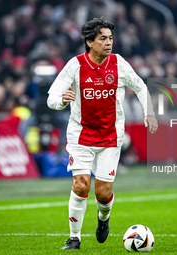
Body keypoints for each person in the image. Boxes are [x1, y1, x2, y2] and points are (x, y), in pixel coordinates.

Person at [47, 17, 158, 250]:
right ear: (89, 42)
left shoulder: (119, 64)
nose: (109, 43)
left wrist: (149, 113)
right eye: (103, 39)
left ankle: (103, 218)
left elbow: (140, 86)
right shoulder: (75, 65)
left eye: (110, 38)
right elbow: (52, 96)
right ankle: (74, 238)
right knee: (80, 185)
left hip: (110, 137)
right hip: (80, 135)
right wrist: (60, 101)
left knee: (103, 192)